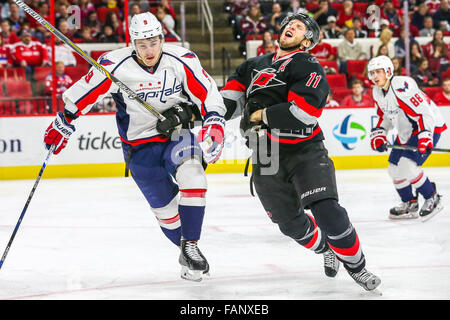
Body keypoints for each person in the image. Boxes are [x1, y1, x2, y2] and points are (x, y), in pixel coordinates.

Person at [42, 12, 227, 282]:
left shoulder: (181, 59)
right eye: (142, 45)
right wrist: (65, 119)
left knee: (193, 173)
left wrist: (214, 121)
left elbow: (207, 92)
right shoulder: (114, 65)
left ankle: (192, 245)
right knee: (167, 215)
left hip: (175, 136)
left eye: (153, 42)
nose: (149, 50)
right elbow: (86, 90)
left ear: (162, 39)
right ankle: (185, 249)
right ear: (132, 44)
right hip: (139, 148)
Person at [220, 12, 381, 291]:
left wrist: (260, 116)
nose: (291, 26)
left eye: (300, 27)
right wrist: (194, 112)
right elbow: (227, 105)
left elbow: (303, 113)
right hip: (265, 154)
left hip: (303, 149)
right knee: (289, 224)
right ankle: (326, 250)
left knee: (327, 211)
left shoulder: (307, 64)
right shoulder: (252, 66)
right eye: (290, 23)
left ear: (307, 42)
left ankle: (358, 268)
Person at [368, 55, 447, 221]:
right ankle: (409, 204)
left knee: (406, 166)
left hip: (426, 126)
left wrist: (426, 136)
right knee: (394, 169)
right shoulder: (377, 92)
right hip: (407, 130)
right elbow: (384, 117)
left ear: (388, 71)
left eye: (379, 72)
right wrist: (380, 133)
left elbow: (424, 112)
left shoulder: (402, 85)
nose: (375, 76)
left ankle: (433, 197)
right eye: (372, 72)